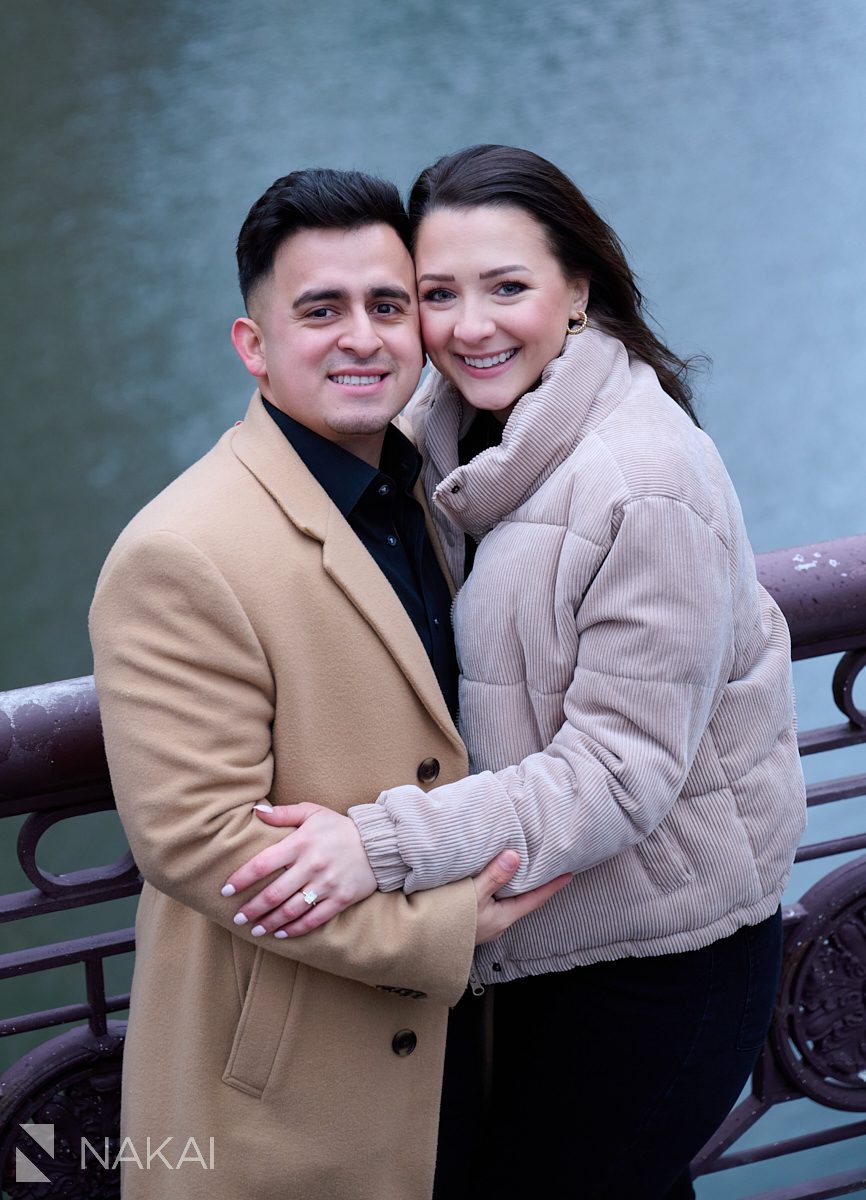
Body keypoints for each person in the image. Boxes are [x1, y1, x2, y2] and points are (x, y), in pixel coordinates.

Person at [223, 146, 809, 1199]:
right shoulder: (439, 432)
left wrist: (376, 846)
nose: (468, 326)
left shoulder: (643, 481)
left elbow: (616, 771)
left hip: (658, 962)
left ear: (577, 289)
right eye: (436, 294)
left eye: (507, 287)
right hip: (527, 927)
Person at [88, 166, 567, 1200]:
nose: (364, 337)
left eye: (388, 305)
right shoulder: (179, 552)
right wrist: (441, 928)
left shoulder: (436, 484)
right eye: (321, 310)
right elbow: (196, 840)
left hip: (467, 1054)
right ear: (252, 345)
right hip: (291, 1089)